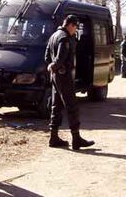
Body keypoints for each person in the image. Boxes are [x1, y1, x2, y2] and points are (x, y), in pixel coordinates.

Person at [45, 15, 94, 150]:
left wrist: (51, 66)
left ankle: (53, 137)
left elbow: (46, 55)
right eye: (75, 27)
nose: (75, 30)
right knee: (72, 106)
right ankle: (76, 138)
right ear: (70, 25)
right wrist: (56, 65)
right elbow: (61, 57)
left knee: (56, 106)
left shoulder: (54, 35)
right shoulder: (64, 38)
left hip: (55, 77)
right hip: (64, 76)